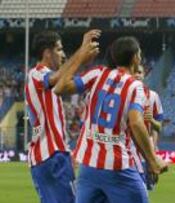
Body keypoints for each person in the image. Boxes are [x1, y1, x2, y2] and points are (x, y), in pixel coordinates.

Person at [53, 36, 168, 203]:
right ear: (135, 57)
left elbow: (59, 88)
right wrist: (153, 160)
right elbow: (136, 123)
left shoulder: (97, 73)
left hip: (89, 165)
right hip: (118, 167)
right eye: (140, 54)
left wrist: (80, 57)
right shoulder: (135, 87)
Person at [25, 30, 99, 203]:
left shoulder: (47, 79)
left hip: (53, 155)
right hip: (51, 156)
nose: (63, 55)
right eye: (59, 49)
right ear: (47, 53)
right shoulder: (37, 73)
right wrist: (81, 53)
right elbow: (58, 77)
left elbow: (63, 79)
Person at [132, 64, 164, 190]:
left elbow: (158, 127)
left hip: (145, 149)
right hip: (127, 150)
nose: (137, 75)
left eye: (139, 72)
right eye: (134, 72)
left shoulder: (153, 96)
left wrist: (153, 149)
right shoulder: (124, 94)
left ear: (144, 75)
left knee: (145, 190)